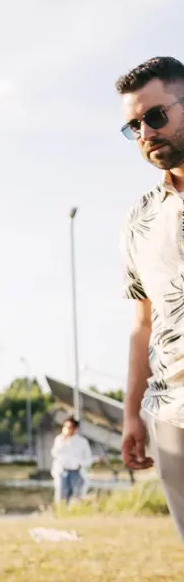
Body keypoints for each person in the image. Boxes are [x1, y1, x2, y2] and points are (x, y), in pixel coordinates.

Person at [118, 56, 184, 534]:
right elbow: (143, 323)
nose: (145, 133)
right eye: (134, 126)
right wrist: (131, 414)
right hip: (172, 417)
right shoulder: (139, 219)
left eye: (156, 116)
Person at [51, 416, 93, 503]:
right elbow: (54, 453)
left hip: (76, 472)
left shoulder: (82, 442)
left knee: (77, 497)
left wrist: (79, 464)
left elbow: (88, 459)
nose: (66, 429)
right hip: (62, 471)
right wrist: (64, 441)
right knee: (61, 498)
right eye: (65, 427)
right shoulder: (59, 439)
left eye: (69, 427)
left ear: (75, 429)